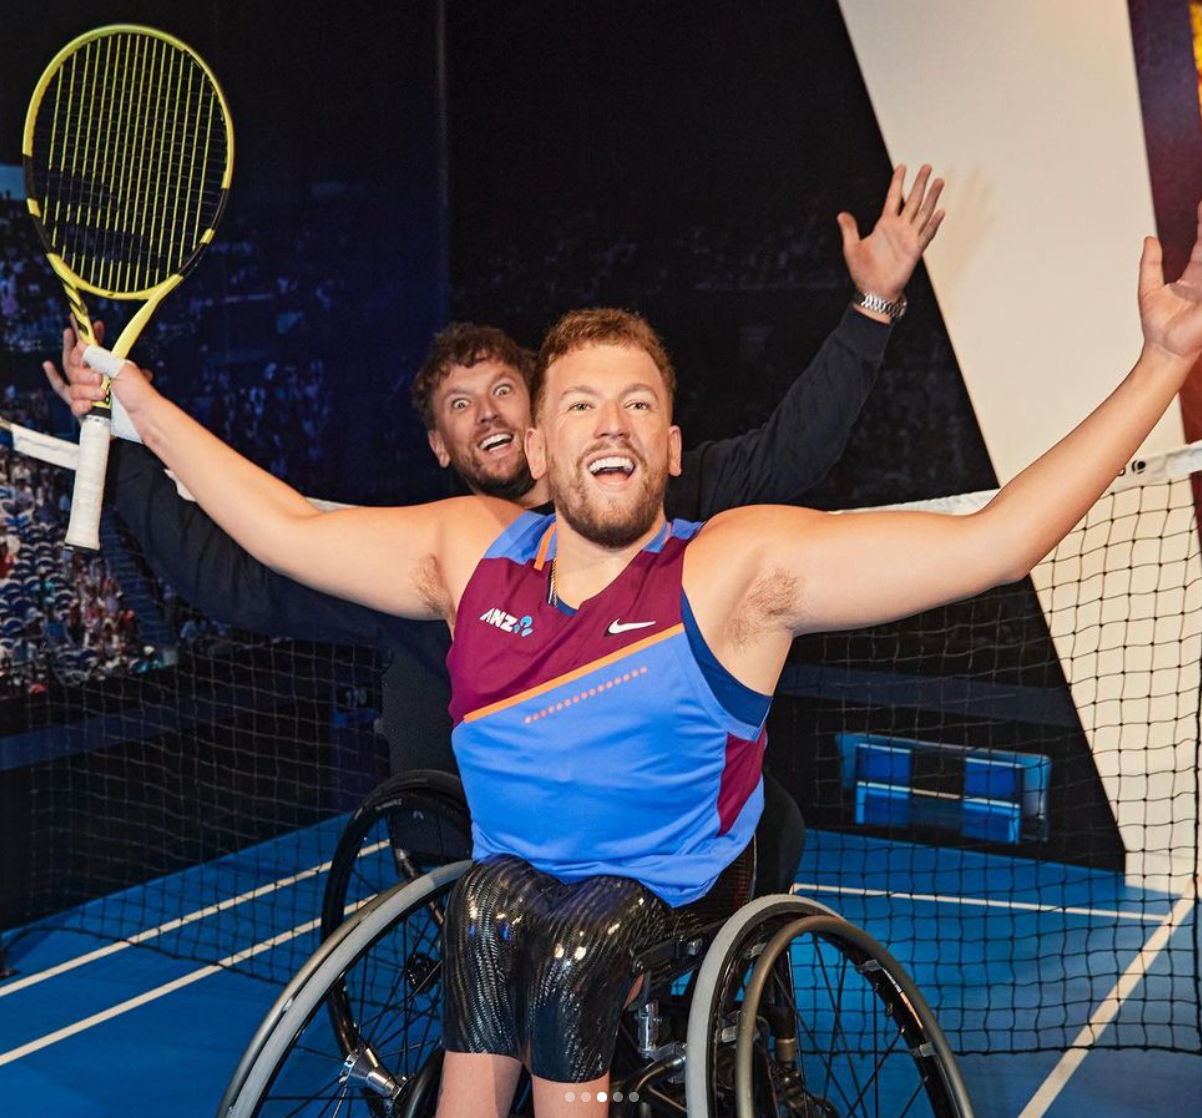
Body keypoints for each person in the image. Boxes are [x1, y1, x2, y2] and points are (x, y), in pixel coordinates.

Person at [59, 193, 1202, 1115]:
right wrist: (142, 401)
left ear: (667, 444)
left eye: (635, 403)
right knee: (491, 906)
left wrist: (1159, 364)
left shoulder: (736, 569)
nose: (607, 420)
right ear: (539, 454)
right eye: (579, 405)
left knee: (576, 938)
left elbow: (993, 543)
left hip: (665, 895)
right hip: (510, 884)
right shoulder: (469, 550)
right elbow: (286, 530)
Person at [48, 166, 945, 896]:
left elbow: (796, 448)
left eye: (504, 392)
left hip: (636, 860)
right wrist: (125, 447)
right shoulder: (424, 557)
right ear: (440, 443)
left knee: (770, 824)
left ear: (541, 423)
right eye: (459, 405)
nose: (486, 416)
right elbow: (232, 575)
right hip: (469, 848)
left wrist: (873, 310)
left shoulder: (669, 501)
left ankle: (755, 1033)